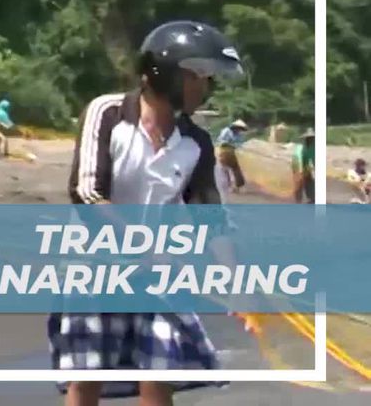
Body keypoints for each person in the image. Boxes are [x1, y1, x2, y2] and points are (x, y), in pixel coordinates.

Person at [49, 20, 245, 406]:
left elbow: (211, 216)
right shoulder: (107, 113)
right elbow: (87, 193)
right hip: (93, 268)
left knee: (160, 373)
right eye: (196, 76)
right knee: (88, 378)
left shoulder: (196, 142)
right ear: (164, 73)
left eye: (208, 79)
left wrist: (233, 279)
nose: (203, 88)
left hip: (156, 274)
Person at [215, 119, 248, 196]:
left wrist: (236, 145)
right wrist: (228, 143)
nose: (239, 130)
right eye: (239, 128)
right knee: (225, 169)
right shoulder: (226, 131)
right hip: (224, 150)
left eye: (241, 129)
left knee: (235, 168)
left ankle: (237, 185)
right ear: (235, 127)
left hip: (232, 151)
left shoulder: (239, 134)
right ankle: (228, 186)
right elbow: (220, 140)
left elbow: (239, 143)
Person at [291, 129, 315, 204]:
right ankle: (298, 201)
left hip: (306, 165)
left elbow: (313, 159)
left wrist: (313, 171)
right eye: (309, 138)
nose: (311, 139)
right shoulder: (300, 148)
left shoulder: (312, 148)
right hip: (297, 164)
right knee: (299, 183)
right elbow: (298, 159)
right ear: (306, 138)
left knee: (310, 181)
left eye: (312, 138)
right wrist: (300, 172)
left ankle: (311, 199)